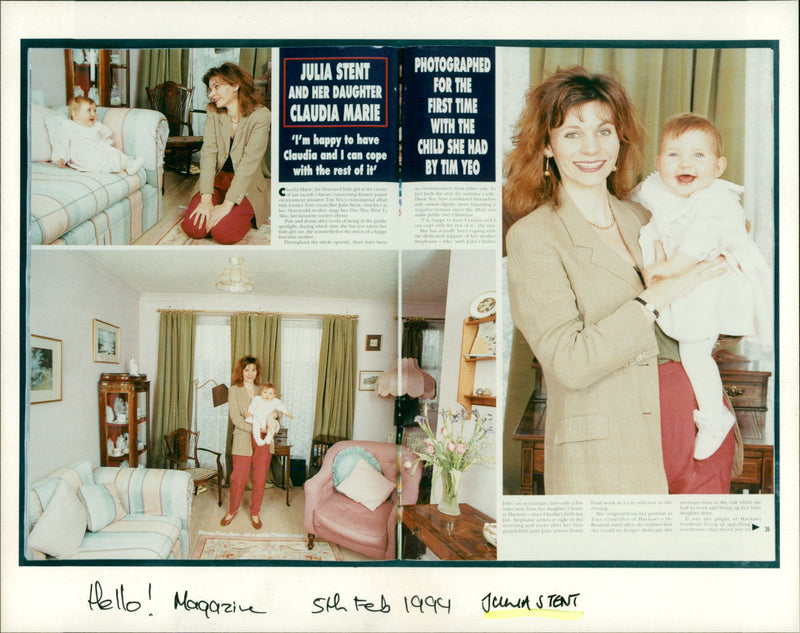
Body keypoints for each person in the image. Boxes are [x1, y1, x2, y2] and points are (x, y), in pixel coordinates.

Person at [504, 66, 738, 495]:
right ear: (546, 146)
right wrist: (652, 299)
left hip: (702, 423)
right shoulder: (532, 237)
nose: (591, 147)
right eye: (572, 133)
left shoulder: (647, 216)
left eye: (604, 131)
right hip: (612, 447)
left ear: (619, 141)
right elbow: (569, 362)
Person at [633, 113, 771, 460]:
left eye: (699, 155)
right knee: (682, 344)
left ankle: (714, 416)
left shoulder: (716, 201)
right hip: (683, 290)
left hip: (712, 288)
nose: (685, 163)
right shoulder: (655, 194)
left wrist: (666, 267)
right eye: (674, 154)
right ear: (658, 162)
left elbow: (698, 244)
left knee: (695, 351)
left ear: (718, 166)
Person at [181, 62, 271, 244]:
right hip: (217, 179)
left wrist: (227, 205)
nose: (210, 94)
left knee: (223, 233)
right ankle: (213, 207)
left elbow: (248, 164)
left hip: (245, 184)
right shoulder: (213, 112)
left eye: (217, 87)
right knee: (194, 228)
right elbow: (208, 153)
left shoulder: (261, 116)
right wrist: (206, 199)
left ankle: (239, 213)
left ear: (235, 85)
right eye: (209, 89)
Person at [221, 355, 271, 529]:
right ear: (241, 371)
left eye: (253, 370)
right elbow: (236, 418)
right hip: (243, 437)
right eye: (247, 369)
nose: (250, 373)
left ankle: (255, 511)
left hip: (263, 440)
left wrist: (270, 419)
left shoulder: (263, 389)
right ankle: (233, 509)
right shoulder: (234, 390)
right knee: (238, 478)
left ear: (257, 372)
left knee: (260, 477)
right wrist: (257, 427)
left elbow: (274, 410)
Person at [51, 96, 145, 175]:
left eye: (95, 111)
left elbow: (106, 136)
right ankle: (111, 167)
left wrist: (107, 145)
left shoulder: (96, 125)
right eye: (89, 111)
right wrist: (61, 157)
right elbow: (60, 143)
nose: (93, 114)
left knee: (115, 153)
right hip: (83, 152)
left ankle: (129, 164)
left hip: (99, 147)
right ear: (75, 114)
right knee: (96, 161)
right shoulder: (68, 126)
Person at [248, 382, 294, 452]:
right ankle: (258, 439)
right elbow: (252, 406)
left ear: (274, 396)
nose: (267, 395)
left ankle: (269, 437)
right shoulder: (258, 399)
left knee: (273, 424)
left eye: (270, 393)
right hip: (258, 418)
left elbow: (281, 407)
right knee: (255, 427)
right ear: (261, 393)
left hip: (268, 419)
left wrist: (287, 413)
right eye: (265, 392)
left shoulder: (275, 401)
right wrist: (250, 412)